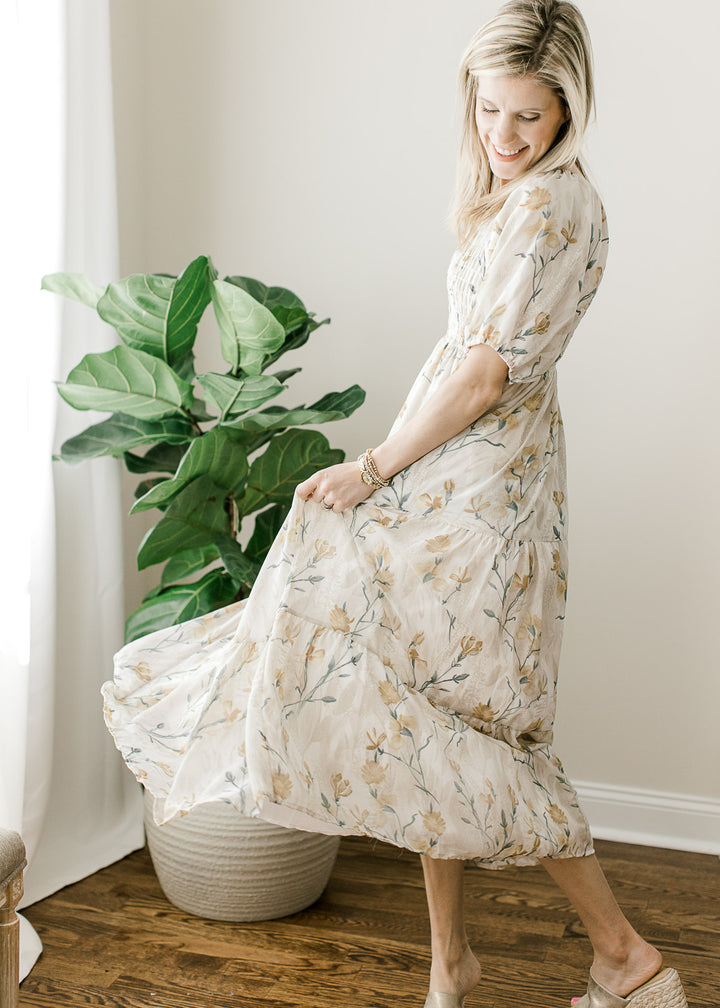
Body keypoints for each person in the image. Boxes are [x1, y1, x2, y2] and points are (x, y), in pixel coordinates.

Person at [102, 2, 688, 1006]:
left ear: (569, 115)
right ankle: (450, 965)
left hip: (477, 499)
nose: (502, 139)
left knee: (468, 732)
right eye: (489, 112)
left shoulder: (551, 205)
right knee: (421, 722)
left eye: (528, 121)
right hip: (465, 483)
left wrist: (372, 468)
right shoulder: (535, 197)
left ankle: (625, 957)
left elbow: (486, 375)